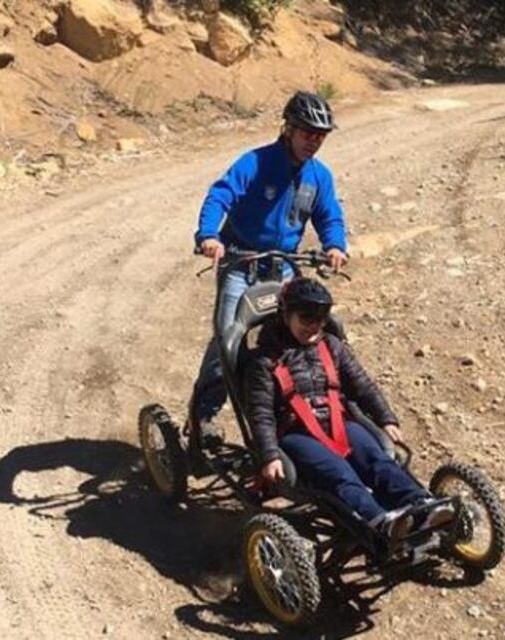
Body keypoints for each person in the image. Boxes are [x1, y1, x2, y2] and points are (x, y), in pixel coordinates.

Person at [192, 91, 349, 448]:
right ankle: (204, 418)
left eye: (321, 135)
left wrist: (335, 244)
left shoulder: (318, 176)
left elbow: (329, 215)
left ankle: (288, 416)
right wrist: (209, 236)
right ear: (289, 128)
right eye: (308, 132)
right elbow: (220, 195)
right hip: (240, 264)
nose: (314, 141)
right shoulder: (255, 163)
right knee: (227, 344)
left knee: (296, 340)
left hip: (285, 268)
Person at [246, 278, 454, 544]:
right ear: (286, 315)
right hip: (295, 434)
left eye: (321, 318)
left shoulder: (331, 346)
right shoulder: (264, 361)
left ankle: (423, 505)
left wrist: (385, 418)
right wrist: (269, 455)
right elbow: (260, 413)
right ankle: (382, 522)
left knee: (378, 460)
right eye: (306, 317)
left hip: (337, 421)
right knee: (341, 474)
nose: (314, 326)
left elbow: (363, 386)